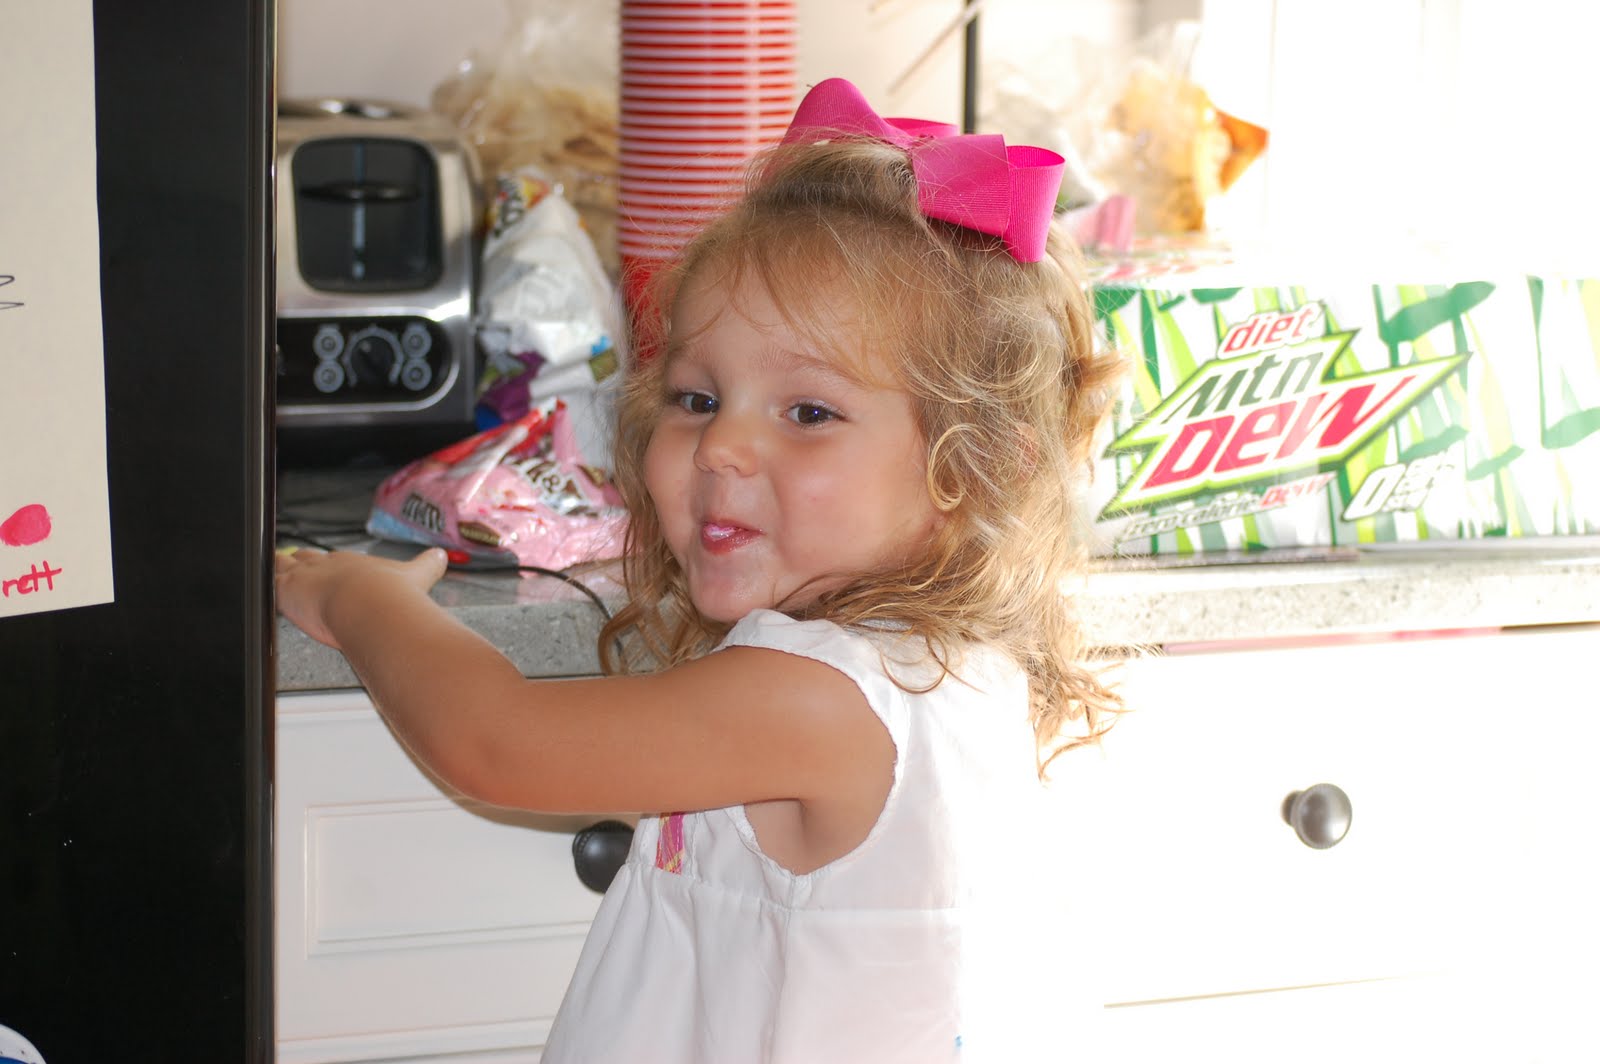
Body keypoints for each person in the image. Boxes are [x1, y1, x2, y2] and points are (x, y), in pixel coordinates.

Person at [276, 77, 1125, 1063]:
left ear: (971, 466)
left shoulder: (822, 694)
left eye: (809, 412)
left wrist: (362, 596)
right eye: (696, 397)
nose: (720, 445)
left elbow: (492, 741)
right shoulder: (942, 664)